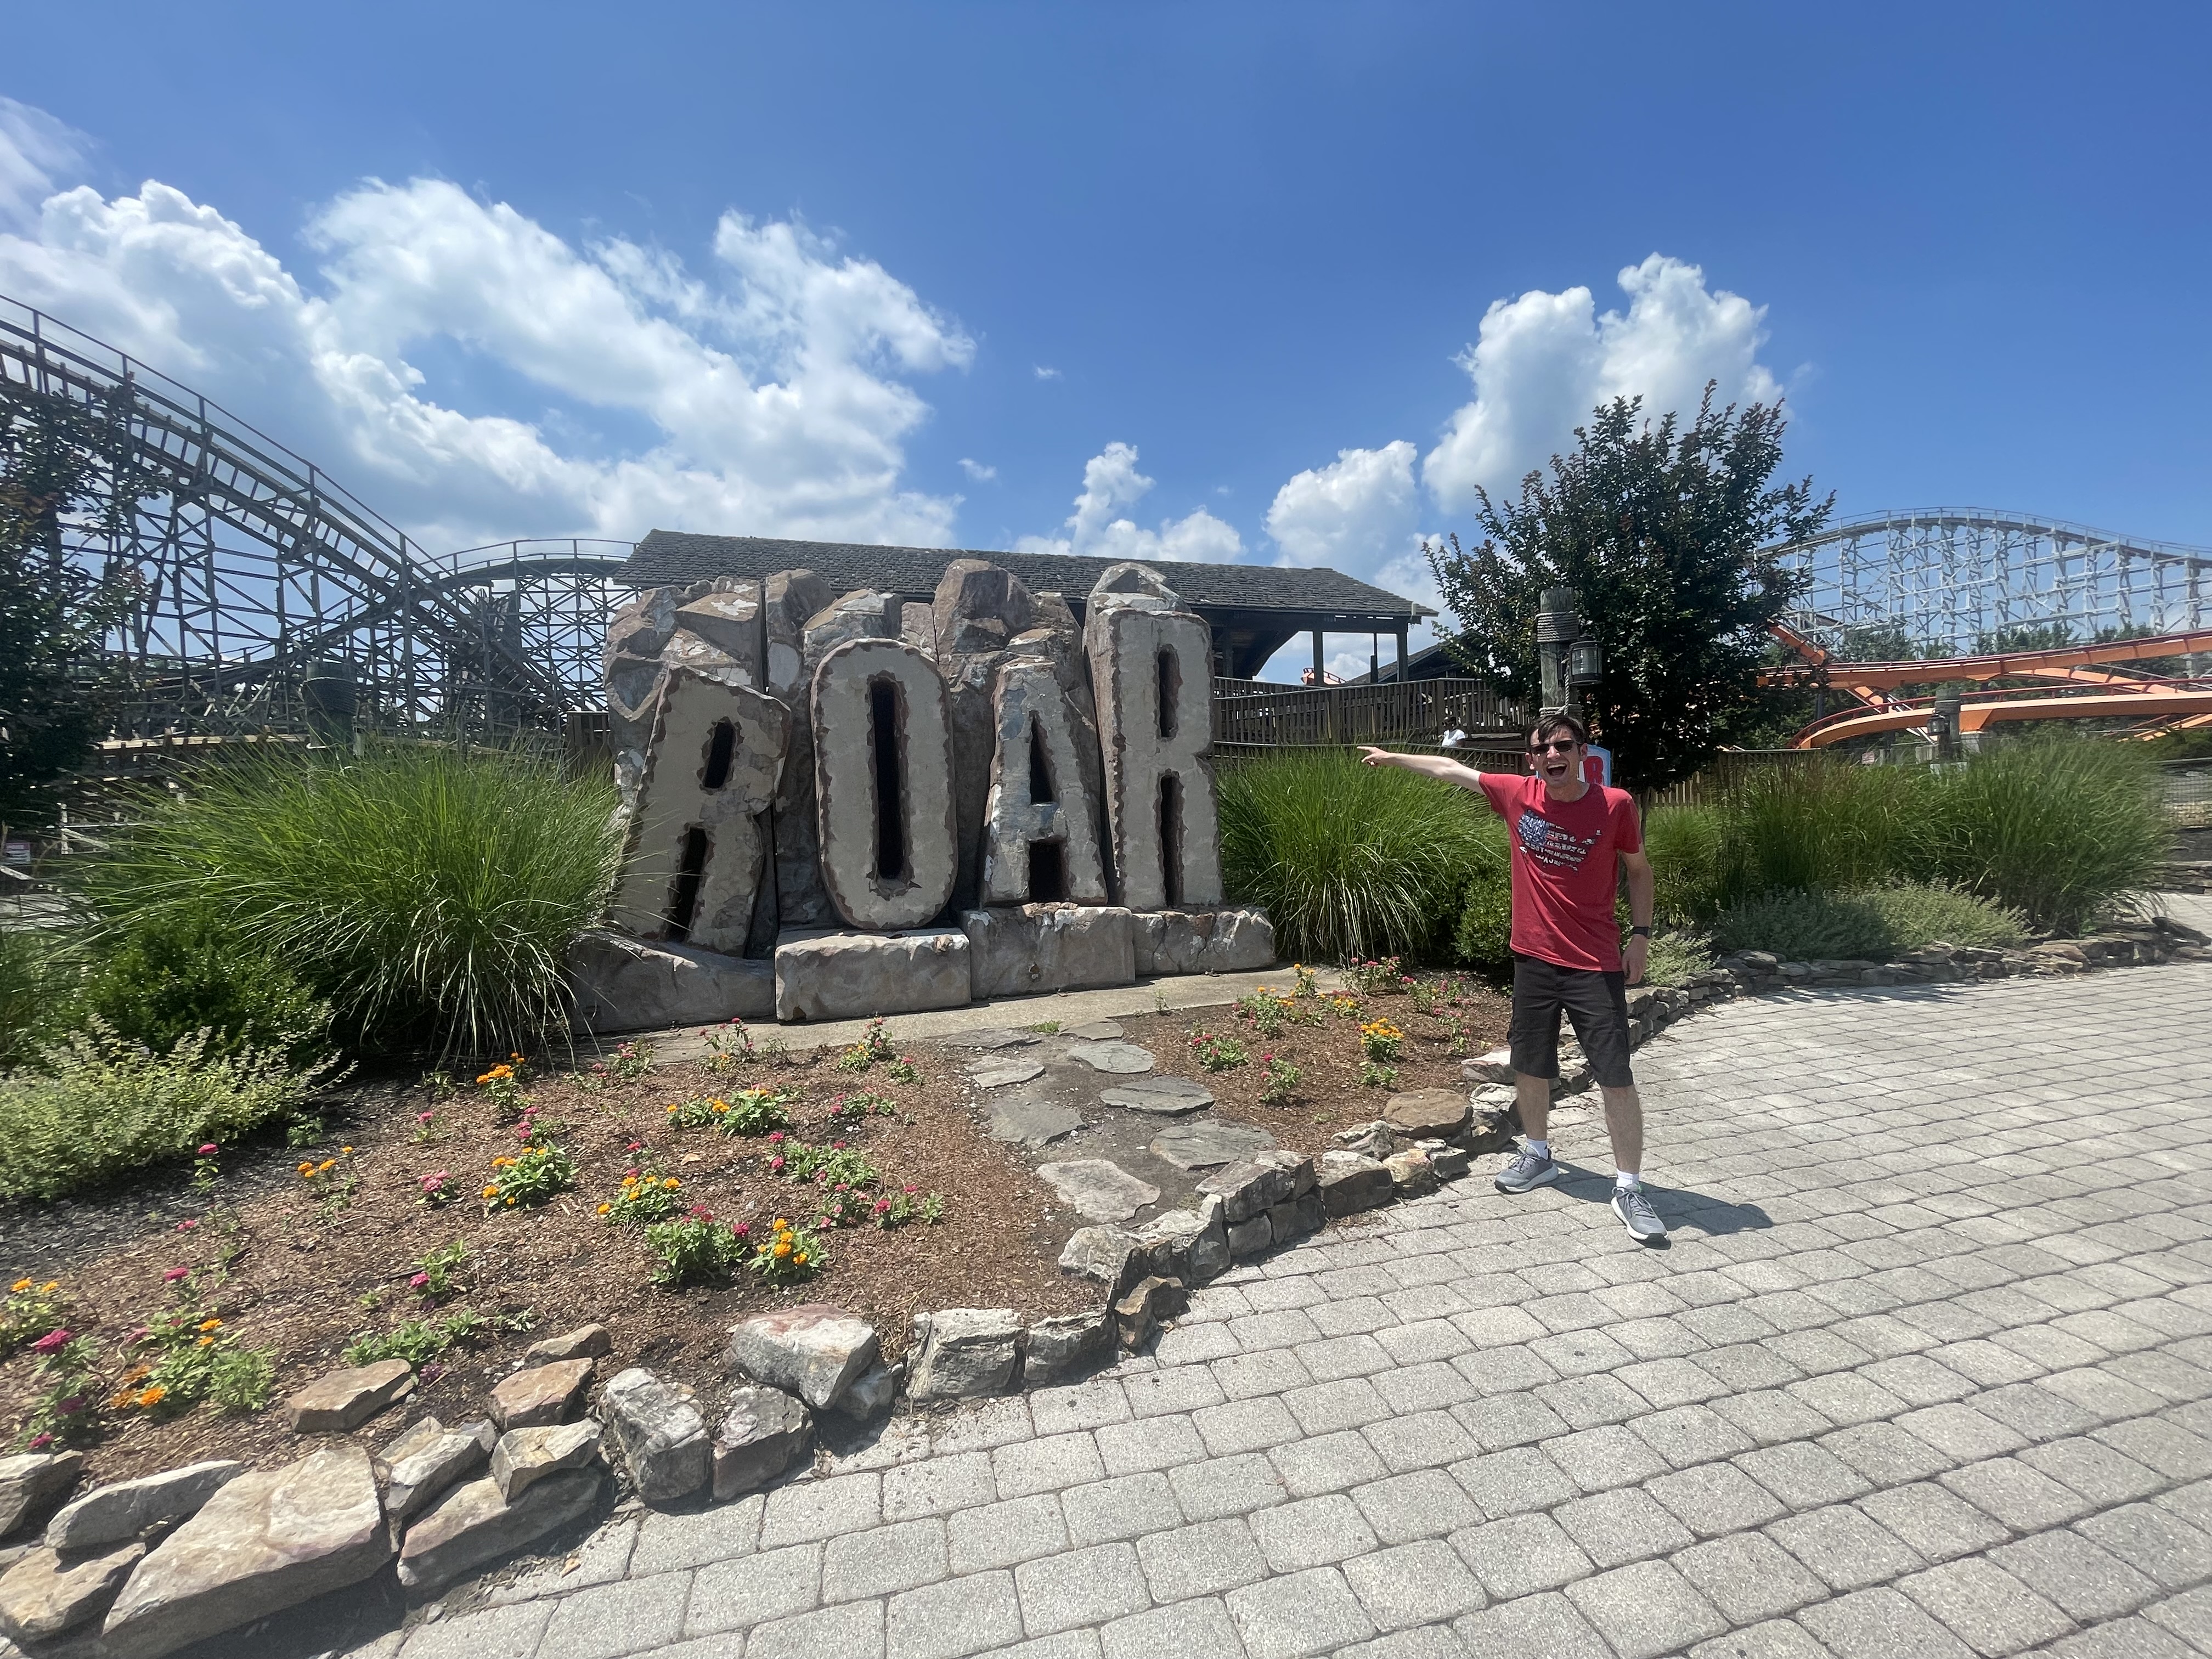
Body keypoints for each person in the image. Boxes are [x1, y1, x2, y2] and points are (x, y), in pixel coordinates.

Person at [1359, 713, 1665, 1241]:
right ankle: (1538, 1154)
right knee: (1530, 1064)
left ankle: (1630, 1186)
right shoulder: (1517, 793)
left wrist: (1640, 935)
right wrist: (1392, 759)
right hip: (1533, 959)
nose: (1553, 756)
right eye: (1542, 750)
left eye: (1563, 746)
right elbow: (1449, 768)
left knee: (1615, 1074)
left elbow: (1639, 870)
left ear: (1581, 751)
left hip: (1594, 962)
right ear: (1532, 759)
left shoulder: (1615, 805)